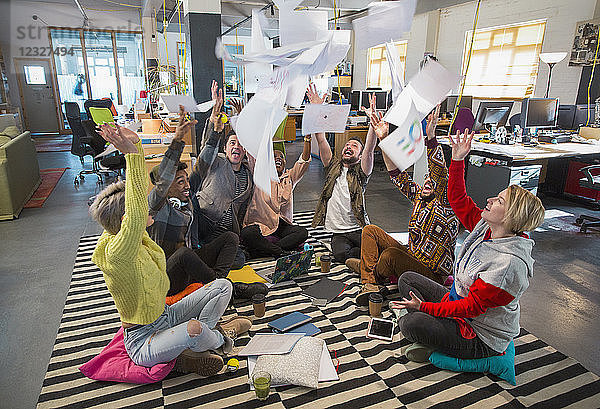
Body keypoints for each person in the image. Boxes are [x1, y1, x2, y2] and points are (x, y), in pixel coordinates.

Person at [90, 122, 251, 377]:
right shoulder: (119, 254)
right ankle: (220, 338)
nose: (145, 205)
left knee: (224, 286)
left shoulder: (136, 234)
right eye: (140, 206)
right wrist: (133, 156)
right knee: (193, 329)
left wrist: (136, 146)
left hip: (165, 315)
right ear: (127, 221)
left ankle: (197, 346)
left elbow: (197, 169)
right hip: (143, 339)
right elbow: (144, 200)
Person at [391, 128, 545, 362]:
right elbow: (458, 199)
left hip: (480, 333)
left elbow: (468, 309)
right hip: (457, 300)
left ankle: (461, 352)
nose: (490, 200)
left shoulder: (508, 265)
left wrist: (425, 308)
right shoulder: (487, 227)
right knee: (407, 279)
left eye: (499, 201)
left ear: (510, 216)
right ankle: (434, 331)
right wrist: (458, 159)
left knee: (410, 322)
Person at [352, 106, 460, 306]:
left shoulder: (446, 202)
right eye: (426, 179)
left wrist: (431, 138)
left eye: (432, 181)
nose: (428, 182)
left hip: (431, 274)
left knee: (389, 256)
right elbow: (397, 175)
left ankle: (367, 271)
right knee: (370, 230)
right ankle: (369, 280)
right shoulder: (420, 195)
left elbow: (439, 171)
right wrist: (383, 140)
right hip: (412, 256)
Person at [146, 104, 243, 297]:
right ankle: (225, 289)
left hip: (192, 261)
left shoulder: (187, 196)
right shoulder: (157, 205)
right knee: (183, 255)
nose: (187, 185)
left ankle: (216, 283)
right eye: (180, 182)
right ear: (166, 187)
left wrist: (216, 132)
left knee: (231, 239)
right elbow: (164, 180)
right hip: (168, 274)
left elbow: (202, 165)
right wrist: (177, 140)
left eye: (186, 180)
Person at [309, 84, 378, 263]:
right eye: (347, 145)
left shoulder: (362, 172)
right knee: (340, 256)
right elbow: (321, 138)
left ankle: (368, 251)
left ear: (360, 155)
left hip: (358, 228)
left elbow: (370, 150)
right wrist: (317, 109)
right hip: (338, 231)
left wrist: (373, 124)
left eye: (354, 146)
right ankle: (362, 253)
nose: (348, 146)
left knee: (376, 252)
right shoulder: (331, 165)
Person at [189, 81, 253, 270]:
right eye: (232, 143)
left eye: (240, 145)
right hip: (203, 221)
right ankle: (198, 252)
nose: (237, 147)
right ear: (225, 148)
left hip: (226, 232)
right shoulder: (216, 161)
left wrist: (242, 119)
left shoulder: (248, 173)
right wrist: (215, 114)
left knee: (239, 261)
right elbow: (207, 145)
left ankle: (205, 256)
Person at [240, 130, 311, 258]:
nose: (278, 158)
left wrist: (307, 139)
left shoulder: (289, 176)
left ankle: (263, 251)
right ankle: (280, 252)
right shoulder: (260, 173)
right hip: (259, 224)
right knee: (247, 233)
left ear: (284, 163)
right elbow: (250, 151)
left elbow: (304, 161)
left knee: (302, 232)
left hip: (281, 225)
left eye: (281, 157)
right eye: (274, 157)